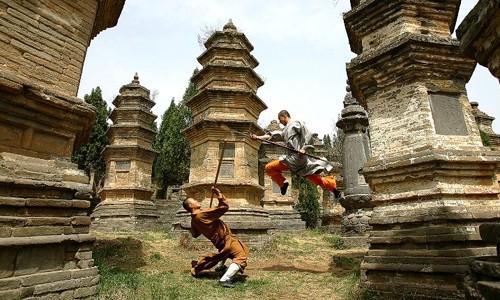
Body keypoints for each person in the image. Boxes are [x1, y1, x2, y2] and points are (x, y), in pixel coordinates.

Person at [250, 110, 341, 198]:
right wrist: (258, 137)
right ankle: (334, 190)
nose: (279, 122)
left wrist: (304, 148)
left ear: (284, 116)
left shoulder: (294, 123)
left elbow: (308, 132)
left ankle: (283, 184)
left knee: (269, 167)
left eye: (280, 119)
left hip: (295, 159)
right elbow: (272, 135)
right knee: (316, 179)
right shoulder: (285, 130)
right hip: (299, 162)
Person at [182, 187, 250, 288]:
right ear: (191, 206)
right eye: (195, 201)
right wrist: (218, 193)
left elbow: (195, 234)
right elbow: (224, 207)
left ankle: (220, 267)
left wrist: (208, 225)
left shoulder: (194, 219)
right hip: (226, 240)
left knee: (225, 252)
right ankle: (224, 279)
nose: (197, 201)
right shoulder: (202, 214)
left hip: (218, 241)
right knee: (241, 257)